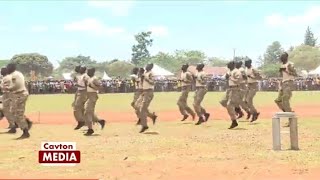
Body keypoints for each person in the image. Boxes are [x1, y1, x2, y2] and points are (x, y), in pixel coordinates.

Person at [5, 63, 32, 139]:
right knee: (14, 112)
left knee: (17, 114)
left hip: (20, 94)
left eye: (8, 67)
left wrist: (9, 88)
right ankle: (27, 122)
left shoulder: (14, 75)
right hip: (21, 94)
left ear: (11, 68)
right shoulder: (18, 73)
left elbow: (17, 85)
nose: (7, 69)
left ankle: (25, 131)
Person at [274, 52, 297, 126]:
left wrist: (286, 70)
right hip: (283, 84)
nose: (281, 58)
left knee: (285, 99)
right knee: (278, 101)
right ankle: (288, 112)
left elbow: (295, 74)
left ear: (286, 57)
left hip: (289, 83)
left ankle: (291, 119)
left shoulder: (290, 64)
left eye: (282, 57)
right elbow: (282, 76)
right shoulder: (282, 65)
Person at [139, 63, 157, 133]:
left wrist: (146, 78)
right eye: (146, 65)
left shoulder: (151, 74)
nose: (146, 66)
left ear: (150, 67)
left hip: (149, 92)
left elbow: (153, 82)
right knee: (142, 108)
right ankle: (152, 116)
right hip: (145, 92)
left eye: (148, 66)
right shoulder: (144, 73)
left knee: (143, 108)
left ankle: (144, 125)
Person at [83, 68, 102, 136]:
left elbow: (100, 87)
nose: (87, 72)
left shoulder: (94, 79)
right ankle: (99, 121)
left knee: (87, 112)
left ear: (92, 72)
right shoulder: (89, 78)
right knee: (87, 112)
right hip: (89, 95)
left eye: (89, 71)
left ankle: (90, 129)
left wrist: (92, 86)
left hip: (93, 96)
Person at [226, 61, 241, 129]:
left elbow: (238, 80)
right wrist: (227, 77)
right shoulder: (229, 71)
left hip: (235, 88)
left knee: (229, 105)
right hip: (230, 88)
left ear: (233, 65)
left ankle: (234, 121)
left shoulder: (236, 71)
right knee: (224, 102)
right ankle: (237, 109)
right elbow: (227, 77)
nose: (227, 65)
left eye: (229, 64)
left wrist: (230, 77)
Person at [0, 67, 16, 132]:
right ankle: (13, 124)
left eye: (1, 71)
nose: (0, 72)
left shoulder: (5, 78)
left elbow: (2, 87)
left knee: (6, 111)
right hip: (12, 95)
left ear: (4, 72)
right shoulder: (11, 77)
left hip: (8, 95)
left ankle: (13, 126)